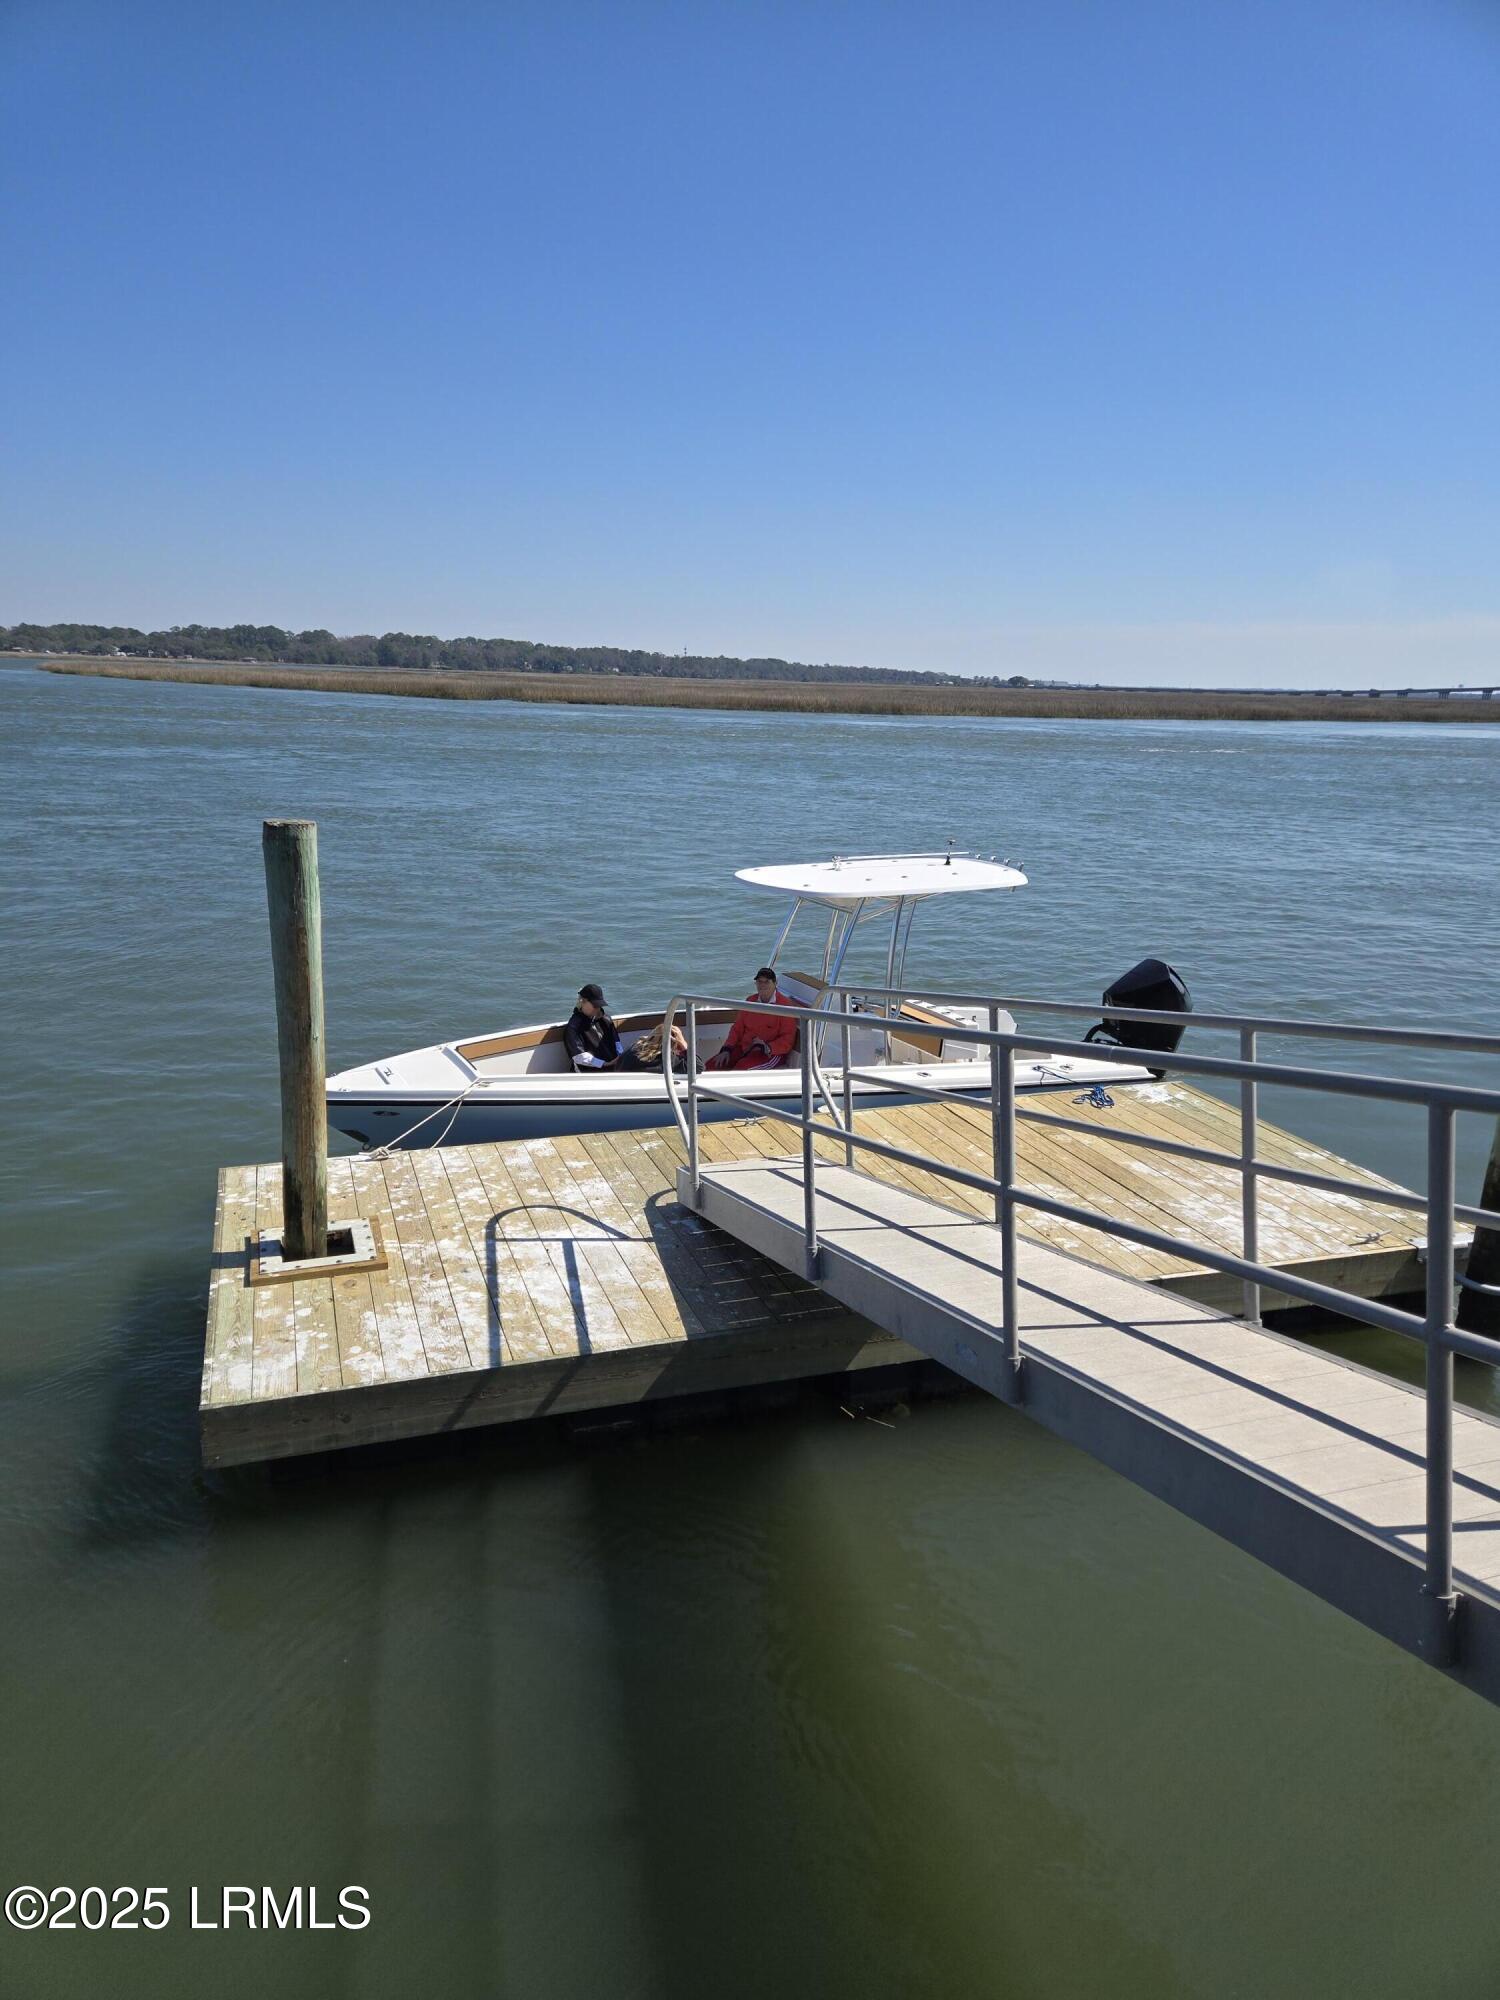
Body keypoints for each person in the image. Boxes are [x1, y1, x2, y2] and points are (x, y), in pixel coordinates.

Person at [708, 968, 799, 1071]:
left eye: (767, 981)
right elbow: (737, 1029)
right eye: (759, 981)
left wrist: (767, 1047)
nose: (762, 985)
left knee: (741, 1070)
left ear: (775, 983)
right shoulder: (750, 1001)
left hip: (771, 1053)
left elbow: (787, 1039)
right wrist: (727, 1049)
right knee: (711, 1065)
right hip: (746, 1048)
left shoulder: (785, 1006)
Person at [564, 983, 623, 1072]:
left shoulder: (606, 1019)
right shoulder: (574, 1026)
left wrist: (621, 1057)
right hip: (589, 1073)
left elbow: (617, 1042)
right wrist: (605, 1064)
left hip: (612, 1068)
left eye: (599, 1005)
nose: (597, 1009)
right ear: (583, 1001)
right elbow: (579, 1056)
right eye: (595, 1005)